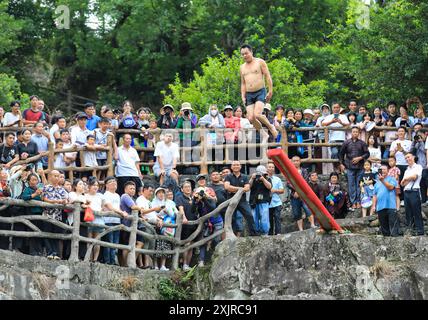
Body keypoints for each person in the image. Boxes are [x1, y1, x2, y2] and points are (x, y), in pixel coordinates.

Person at [240, 44, 278, 139]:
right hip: (249, 93)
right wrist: (243, 95)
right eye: (243, 54)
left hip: (260, 91)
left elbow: (267, 76)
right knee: (251, 118)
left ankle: (271, 127)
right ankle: (263, 134)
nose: (245, 55)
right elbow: (243, 83)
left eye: (246, 53)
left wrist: (270, 90)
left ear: (251, 52)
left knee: (257, 114)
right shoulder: (242, 67)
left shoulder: (260, 62)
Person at [224, 160, 259, 236]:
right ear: (231, 167)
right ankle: (232, 235)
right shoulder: (228, 176)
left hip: (242, 201)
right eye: (234, 165)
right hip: (231, 201)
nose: (236, 166)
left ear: (240, 166)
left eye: (237, 165)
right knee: (232, 218)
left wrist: (233, 189)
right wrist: (241, 189)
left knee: (249, 215)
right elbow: (227, 187)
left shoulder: (244, 176)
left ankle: (254, 234)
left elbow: (247, 188)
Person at [339, 127, 370, 210]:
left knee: (359, 185)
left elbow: (367, 154)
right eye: (353, 132)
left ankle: (359, 201)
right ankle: (353, 202)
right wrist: (341, 164)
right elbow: (341, 154)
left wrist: (360, 158)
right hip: (349, 167)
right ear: (351, 133)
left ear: (359, 133)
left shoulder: (362, 143)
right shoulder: (346, 143)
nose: (355, 133)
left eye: (357, 132)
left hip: (360, 167)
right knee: (351, 185)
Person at [135, 184, 165, 269]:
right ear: (144, 190)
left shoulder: (148, 201)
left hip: (152, 224)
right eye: (150, 190)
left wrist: (159, 219)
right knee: (144, 245)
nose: (151, 193)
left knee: (150, 245)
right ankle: (143, 264)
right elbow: (142, 211)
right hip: (145, 224)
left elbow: (152, 214)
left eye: (152, 191)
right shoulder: (140, 199)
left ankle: (147, 265)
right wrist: (154, 209)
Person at [119, 181, 147, 267]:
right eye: (130, 188)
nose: (133, 190)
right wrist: (140, 208)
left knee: (134, 244)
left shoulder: (132, 198)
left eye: (134, 189)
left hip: (131, 225)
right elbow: (133, 207)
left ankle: (129, 263)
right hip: (126, 224)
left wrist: (141, 214)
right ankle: (125, 265)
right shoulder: (125, 196)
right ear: (125, 189)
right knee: (126, 245)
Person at [42, 170, 69, 260]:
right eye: (55, 176)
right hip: (47, 214)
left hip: (58, 215)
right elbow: (44, 199)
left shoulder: (62, 190)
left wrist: (64, 202)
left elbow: (66, 200)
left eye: (58, 176)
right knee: (47, 233)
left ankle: (56, 253)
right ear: (50, 177)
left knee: (56, 234)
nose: (57, 178)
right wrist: (56, 201)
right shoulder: (46, 187)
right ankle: (49, 252)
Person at [101, 176, 128, 265]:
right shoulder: (106, 195)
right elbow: (110, 207)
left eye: (115, 181)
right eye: (111, 182)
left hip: (117, 221)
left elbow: (118, 207)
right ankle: (108, 261)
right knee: (109, 242)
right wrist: (122, 212)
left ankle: (113, 260)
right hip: (108, 220)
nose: (114, 183)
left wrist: (122, 212)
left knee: (115, 242)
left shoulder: (117, 195)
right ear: (106, 185)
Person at [151, 187, 178, 271]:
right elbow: (151, 213)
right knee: (156, 245)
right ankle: (155, 265)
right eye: (159, 193)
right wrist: (159, 214)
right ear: (156, 194)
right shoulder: (153, 203)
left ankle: (163, 265)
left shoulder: (170, 203)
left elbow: (174, 214)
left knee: (165, 245)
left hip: (167, 225)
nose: (161, 194)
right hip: (156, 225)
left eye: (162, 192)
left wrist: (167, 211)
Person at [370, 165, 400, 236]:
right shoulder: (377, 183)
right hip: (380, 207)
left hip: (391, 206)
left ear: (388, 170)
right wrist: (373, 206)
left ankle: (395, 242)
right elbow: (374, 195)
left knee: (393, 227)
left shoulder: (392, 179)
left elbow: (391, 187)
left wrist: (382, 180)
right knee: (384, 227)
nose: (382, 171)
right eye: (381, 169)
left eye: (384, 169)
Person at [289, 156, 316, 231]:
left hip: (303, 194)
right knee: (297, 212)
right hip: (294, 195)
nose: (296, 162)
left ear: (300, 161)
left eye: (297, 160)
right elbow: (289, 183)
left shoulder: (304, 171)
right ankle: (300, 229)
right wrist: (295, 191)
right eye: (294, 161)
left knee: (308, 208)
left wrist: (298, 191)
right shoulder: (289, 171)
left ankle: (312, 224)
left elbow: (305, 181)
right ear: (291, 162)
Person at [401, 152, 424, 236]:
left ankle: (420, 231)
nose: (407, 159)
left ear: (413, 157)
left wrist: (407, 179)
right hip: (406, 192)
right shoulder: (407, 170)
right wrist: (408, 179)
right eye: (406, 158)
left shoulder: (418, 166)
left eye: (409, 157)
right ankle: (410, 230)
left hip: (414, 191)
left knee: (416, 212)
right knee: (408, 213)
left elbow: (415, 177)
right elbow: (402, 183)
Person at [322, 103, 350, 169]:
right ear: (332, 108)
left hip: (342, 139)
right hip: (332, 139)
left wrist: (341, 122)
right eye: (334, 107)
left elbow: (348, 125)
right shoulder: (329, 117)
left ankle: (339, 170)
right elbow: (323, 124)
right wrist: (331, 122)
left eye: (337, 107)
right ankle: (339, 167)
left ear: (339, 108)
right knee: (334, 153)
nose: (336, 109)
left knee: (341, 155)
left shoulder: (343, 116)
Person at [175, 181, 195, 271]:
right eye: (186, 187)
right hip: (185, 225)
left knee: (192, 244)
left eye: (189, 187)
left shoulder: (194, 198)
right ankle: (183, 264)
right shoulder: (179, 197)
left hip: (194, 224)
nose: (188, 188)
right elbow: (181, 208)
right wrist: (184, 218)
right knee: (186, 244)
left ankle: (187, 264)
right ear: (182, 189)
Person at [390, 126, 412, 201]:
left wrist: (402, 150)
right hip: (398, 164)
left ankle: (406, 198)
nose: (401, 132)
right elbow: (391, 155)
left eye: (402, 131)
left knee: (406, 181)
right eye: (399, 131)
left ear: (405, 133)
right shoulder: (394, 142)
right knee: (398, 182)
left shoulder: (409, 142)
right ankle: (400, 199)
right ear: (397, 133)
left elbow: (410, 155)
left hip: (407, 165)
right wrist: (396, 150)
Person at [249, 165, 272, 235]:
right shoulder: (253, 179)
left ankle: (265, 232)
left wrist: (263, 179)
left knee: (264, 217)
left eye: (262, 173)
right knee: (254, 217)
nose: (260, 175)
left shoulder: (267, 179)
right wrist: (252, 178)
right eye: (259, 173)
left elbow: (269, 187)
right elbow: (248, 187)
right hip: (254, 202)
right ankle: (255, 232)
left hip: (264, 201)